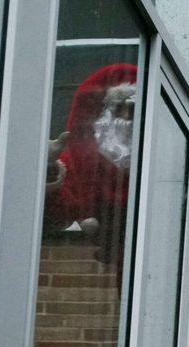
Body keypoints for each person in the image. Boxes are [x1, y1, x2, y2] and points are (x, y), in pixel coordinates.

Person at [44, 63, 138, 265]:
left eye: (136, 110)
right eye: (122, 108)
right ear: (105, 114)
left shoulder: (163, 162)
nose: (129, 119)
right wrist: (50, 172)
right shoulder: (77, 165)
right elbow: (55, 216)